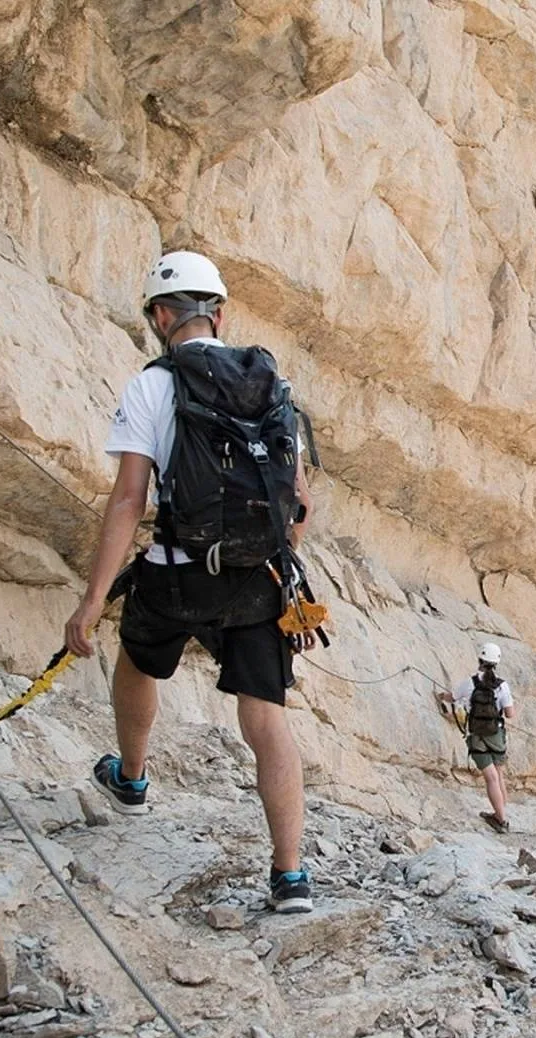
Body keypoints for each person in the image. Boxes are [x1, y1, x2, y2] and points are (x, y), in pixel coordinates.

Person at [63, 250, 315, 913]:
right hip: (260, 578)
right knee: (266, 720)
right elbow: (299, 498)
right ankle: (289, 876)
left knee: (138, 661)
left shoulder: (153, 384)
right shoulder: (272, 383)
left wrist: (92, 601)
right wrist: (275, 565)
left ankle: (133, 778)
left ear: (161, 316)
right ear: (221, 313)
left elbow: (128, 500)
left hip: (178, 575)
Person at [442, 643, 516, 833]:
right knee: (498, 774)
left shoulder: (470, 683)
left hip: (476, 736)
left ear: (480, 660)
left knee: (490, 778)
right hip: (496, 734)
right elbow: (510, 713)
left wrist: (440, 695)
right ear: (497, 662)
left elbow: (451, 697)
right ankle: (502, 814)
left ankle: (500, 819)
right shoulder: (502, 686)